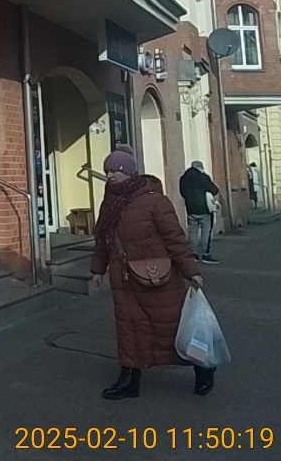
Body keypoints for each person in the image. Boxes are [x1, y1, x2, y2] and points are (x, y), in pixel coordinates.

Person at [90, 145, 214, 400]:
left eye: (115, 170)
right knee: (129, 330)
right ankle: (129, 380)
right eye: (107, 171)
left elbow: (175, 239)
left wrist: (191, 271)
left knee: (170, 328)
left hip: (158, 279)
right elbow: (104, 240)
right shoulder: (109, 203)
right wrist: (97, 269)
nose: (110, 175)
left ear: (129, 172)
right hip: (123, 282)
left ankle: (202, 366)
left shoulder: (155, 201)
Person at [179, 161, 220, 264]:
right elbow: (214, 190)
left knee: (192, 231)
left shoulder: (183, 178)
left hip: (191, 209)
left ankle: (194, 254)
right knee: (206, 231)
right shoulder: (203, 177)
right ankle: (206, 254)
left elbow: (182, 193)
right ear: (200, 168)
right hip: (204, 209)